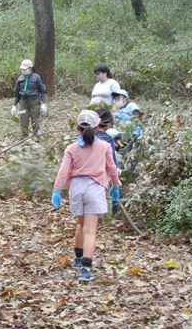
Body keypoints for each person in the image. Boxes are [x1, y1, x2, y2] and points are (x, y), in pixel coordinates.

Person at [51, 110, 120, 282]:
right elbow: (111, 168)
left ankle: (77, 258)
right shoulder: (104, 147)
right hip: (94, 189)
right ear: (98, 128)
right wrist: (116, 186)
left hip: (76, 189)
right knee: (90, 230)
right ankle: (86, 269)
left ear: (77, 129)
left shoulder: (71, 148)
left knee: (80, 225)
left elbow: (63, 171)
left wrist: (56, 190)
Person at [11, 59, 48, 138]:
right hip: (23, 103)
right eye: (22, 69)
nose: (23, 71)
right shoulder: (20, 79)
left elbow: (42, 91)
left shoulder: (36, 78)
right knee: (23, 121)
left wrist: (44, 103)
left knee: (35, 120)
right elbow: (16, 93)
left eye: (25, 69)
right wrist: (14, 105)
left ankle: (36, 137)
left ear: (30, 68)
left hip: (34, 103)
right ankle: (24, 138)